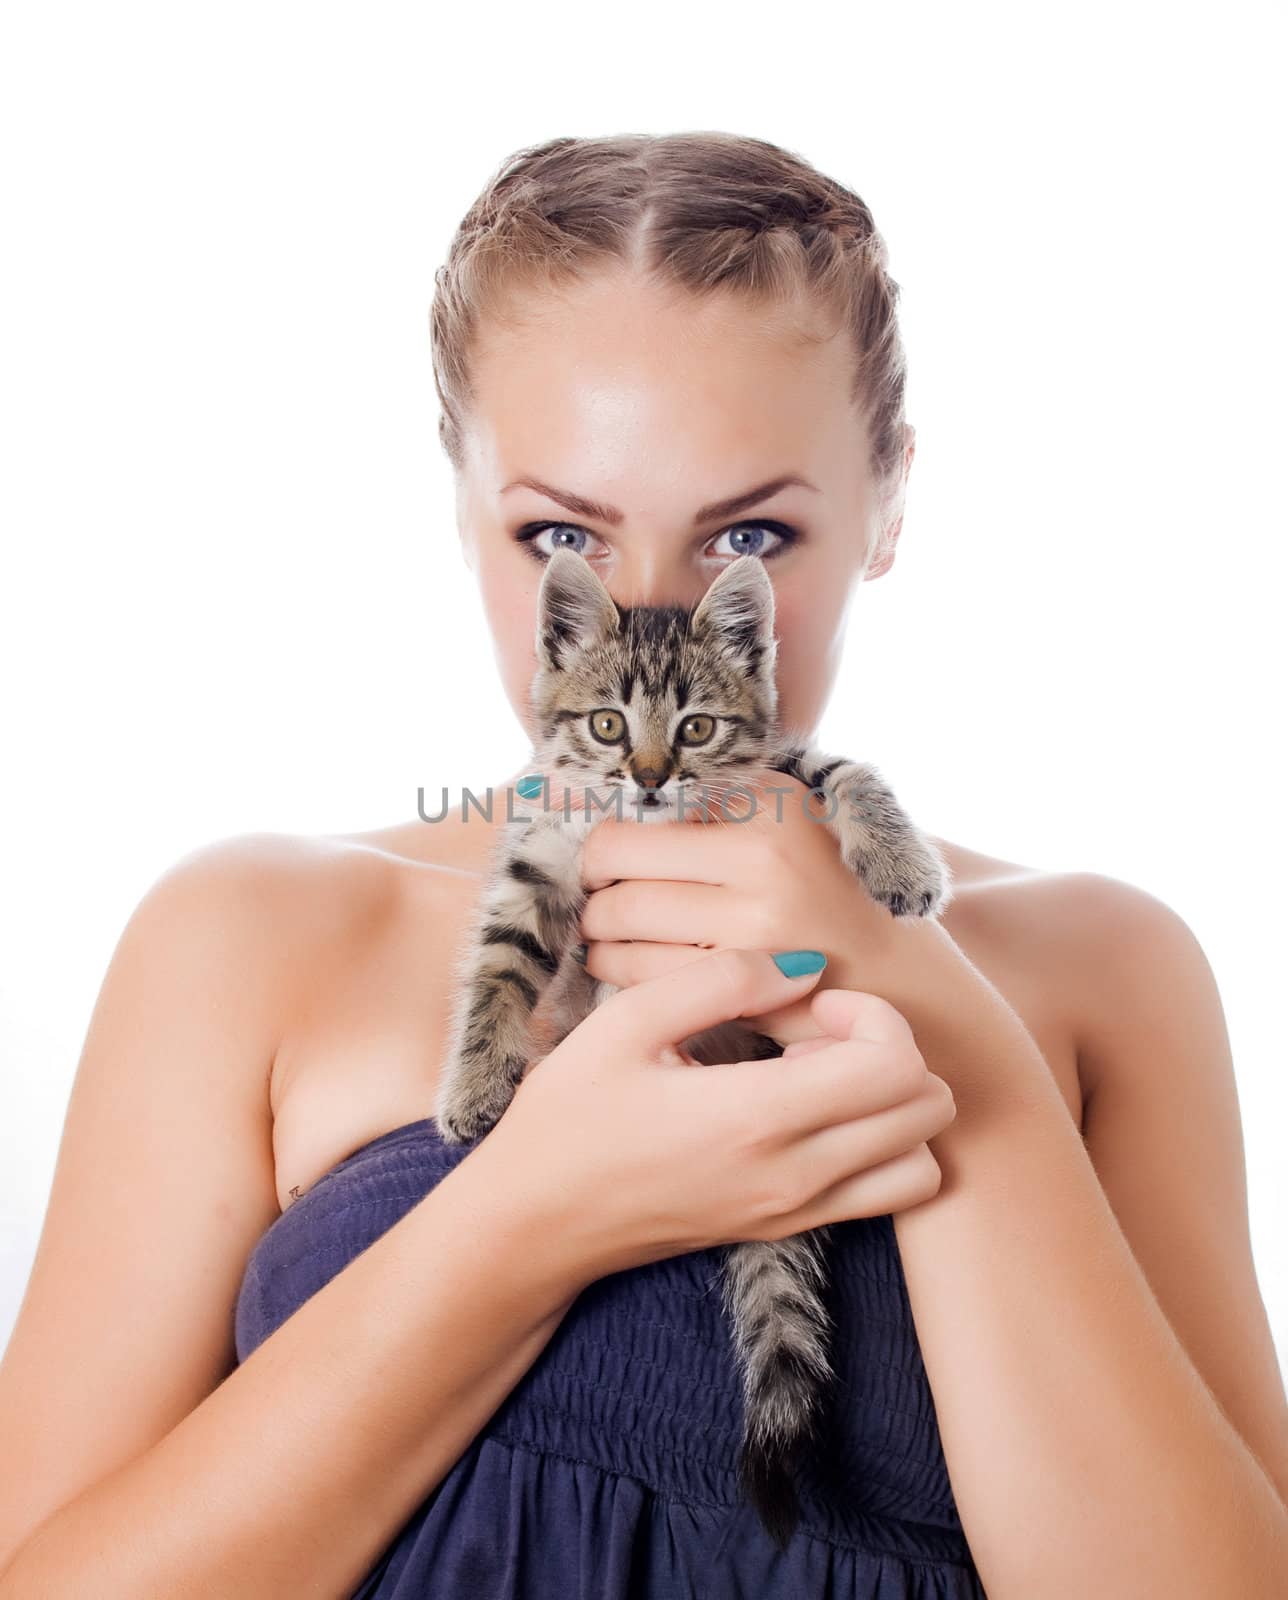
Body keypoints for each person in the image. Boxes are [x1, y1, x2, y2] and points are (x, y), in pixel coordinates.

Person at [1, 131, 1285, 1599]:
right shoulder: (255, 936)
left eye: (751, 532)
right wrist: (536, 1213)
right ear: (464, 507)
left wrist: (936, 1029)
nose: (653, 623)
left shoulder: (1104, 966)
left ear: (889, 502)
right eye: (563, 532)